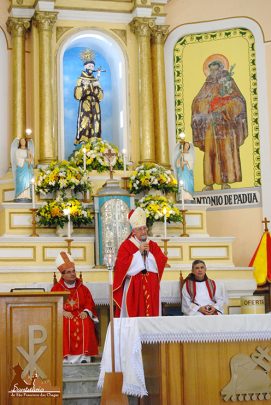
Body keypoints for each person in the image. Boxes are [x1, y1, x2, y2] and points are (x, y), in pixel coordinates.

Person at [191, 54, 248, 190]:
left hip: (226, 124)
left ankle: (225, 182)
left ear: (222, 69)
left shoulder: (228, 82)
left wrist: (224, 107)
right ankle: (209, 183)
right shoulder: (207, 85)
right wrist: (208, 105)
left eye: (216, 70)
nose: (213, 73)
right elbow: (197, 102)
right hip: (211, 124)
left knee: (226, 151)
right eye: (211, 70)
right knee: (211, 153)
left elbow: (239, 100)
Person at [113, 207, 167, 317]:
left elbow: (161, 261)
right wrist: (139, 254)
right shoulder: (126, 246)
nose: (143, 232)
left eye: (144, 228)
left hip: (151, 286)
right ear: (133, 231)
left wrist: (149, 255)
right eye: (140, 229)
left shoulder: (152, 244)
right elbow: (121, 266)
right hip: (134, 287)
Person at [51, 251, 99, 363]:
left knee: (86, 321)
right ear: (62, 275)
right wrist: (61, 311)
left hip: (80, 313)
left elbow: (89, 303)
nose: (73, 274)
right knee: (64, 321)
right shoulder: (57, 288)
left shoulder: (82, 288)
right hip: (65, 314)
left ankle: (84, 357)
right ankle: (65, 358)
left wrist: (86, 312)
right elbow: (52, 304)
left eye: (73, 271)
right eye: (69, 272)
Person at [74, 49, 104, 144]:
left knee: (95, 122)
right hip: (85, 103)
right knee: (85, 121)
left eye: (93, 66)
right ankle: (83, 140)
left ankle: (95, 140)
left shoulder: (95, 80)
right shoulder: (81, 79)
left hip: (95, 104)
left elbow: (101, 96)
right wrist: (87, 86)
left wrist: (97, 87)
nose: (91, 67)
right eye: (90, 66)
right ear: (85, 67)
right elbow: (78, 95)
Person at [11, 136, 34, 202]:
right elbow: (17, 160)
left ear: (25, 142)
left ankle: (27, 196)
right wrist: (26, 160)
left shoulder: (28, 150)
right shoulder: (17, 151)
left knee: (27, 181)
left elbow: (31, 159)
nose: (23, 142)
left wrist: (30, 156)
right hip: (21, 168)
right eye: (21, 141)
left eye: (24, 141)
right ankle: (20, 196)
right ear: (20, 143)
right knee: (21, 182)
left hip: (27, 168)